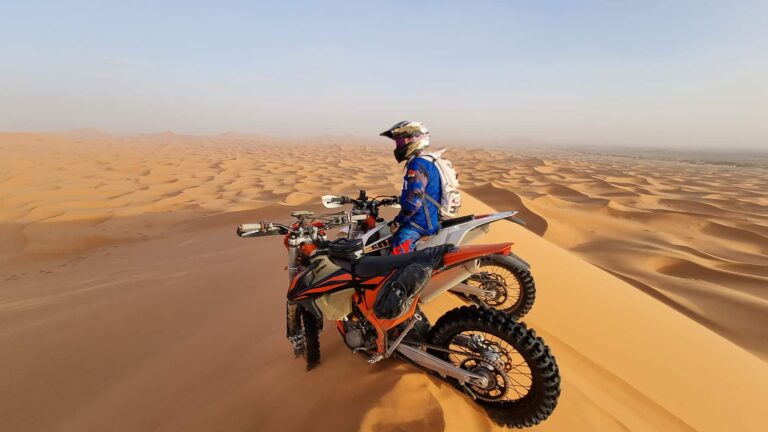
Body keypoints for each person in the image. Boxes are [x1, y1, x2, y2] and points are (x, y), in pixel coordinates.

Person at [379, 121, 442, 255]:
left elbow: (414, 202)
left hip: (418, 224)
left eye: (401, 142)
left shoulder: (417, 164)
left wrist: (398, 222)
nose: (398, 146)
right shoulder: (427, 161)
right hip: (428, 220)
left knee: (395, 262)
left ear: (413, 140)